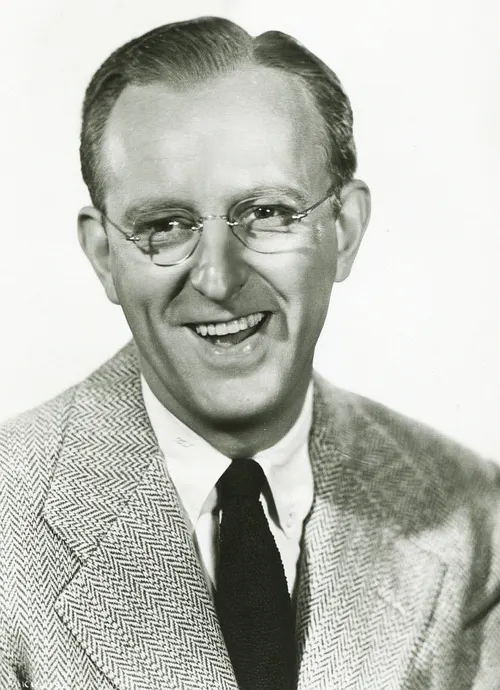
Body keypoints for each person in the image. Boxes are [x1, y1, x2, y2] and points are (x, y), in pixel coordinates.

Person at [1, 15, 499, 690]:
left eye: (267, 213)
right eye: (166, 225)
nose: (218, 278)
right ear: (103, 256)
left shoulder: (474, 518)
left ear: (345, 230)